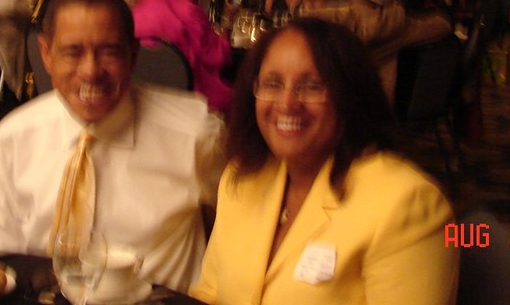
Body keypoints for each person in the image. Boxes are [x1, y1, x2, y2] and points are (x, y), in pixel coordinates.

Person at [0, 0, 226, 292]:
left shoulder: (196, 136)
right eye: (72, 52)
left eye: (108, 52)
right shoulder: (14, 138)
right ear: (46, 54)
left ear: (133, 54)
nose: (90, 71)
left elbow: (242, 232)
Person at [190, 18, 458, 305]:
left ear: (350, 96)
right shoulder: (243, 177)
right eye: (272, 84)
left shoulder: (406, 204)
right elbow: (209, 294)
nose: (287, 103)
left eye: (312, 86)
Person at [120, 0, 234, 113]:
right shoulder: (186, 10)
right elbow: (219, 57)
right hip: (193, 101)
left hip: (146, 104)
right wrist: (227, 22)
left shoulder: (131, 16)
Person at [302, 0, 407, 104]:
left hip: (340, 106)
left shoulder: (329, 20)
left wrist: (304, 4)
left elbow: (299, 17)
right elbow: (438, 25)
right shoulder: (397, 22)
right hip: (382, 106)